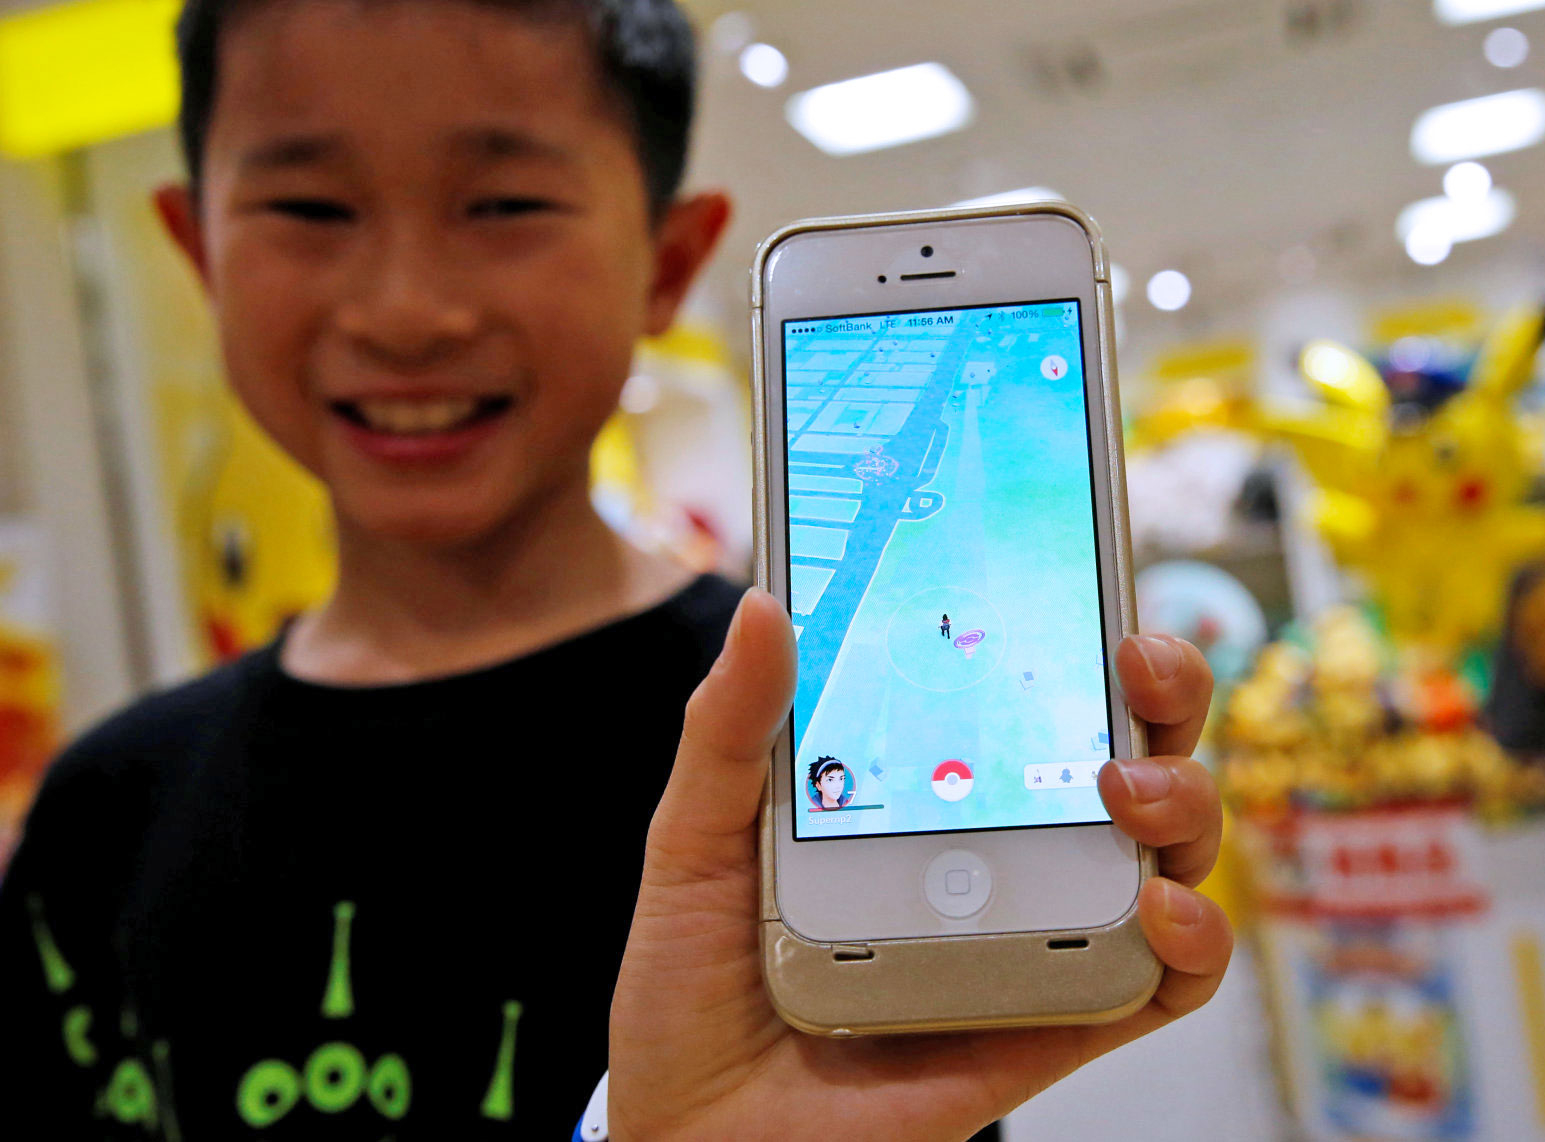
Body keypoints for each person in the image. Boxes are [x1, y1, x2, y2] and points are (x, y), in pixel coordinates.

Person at [0, 1, 1230, 1138]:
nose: (406, 310)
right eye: (311, 209)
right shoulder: (102, 813)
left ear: (668, 260)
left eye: (502, 205)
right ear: (197, 247)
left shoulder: (800, 725)